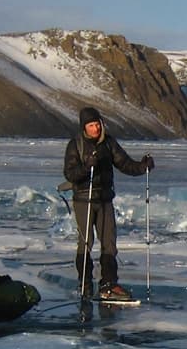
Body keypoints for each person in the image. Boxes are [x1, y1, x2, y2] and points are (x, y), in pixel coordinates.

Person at [62, 106, 154, 301]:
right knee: (86, 242)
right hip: (84, 200)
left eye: (97, 124)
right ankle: (85, 282)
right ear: (84, 127)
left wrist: (142, 166)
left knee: (109, 244)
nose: (95, 128)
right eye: (91, 125)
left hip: (104, 199)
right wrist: (87, 167)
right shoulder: (75, 145)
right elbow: (70, 174)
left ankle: (108, 284)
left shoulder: (108, 143)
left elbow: (125, 164)